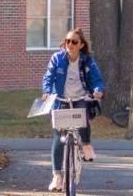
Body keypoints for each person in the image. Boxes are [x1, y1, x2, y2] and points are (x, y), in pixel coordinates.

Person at [42, 28, 104, 192]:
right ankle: (57, 177)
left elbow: (97, 79)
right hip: (61, 100)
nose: (70, 44)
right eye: (68, 41)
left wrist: (98, 90)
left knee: (82, 118)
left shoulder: (87, 61)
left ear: (81, 45)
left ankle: (86, 145)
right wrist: (47, 91)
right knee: (58, 135)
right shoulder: (57, 58)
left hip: (80, 99)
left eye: (74, 42)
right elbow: (48, 77)